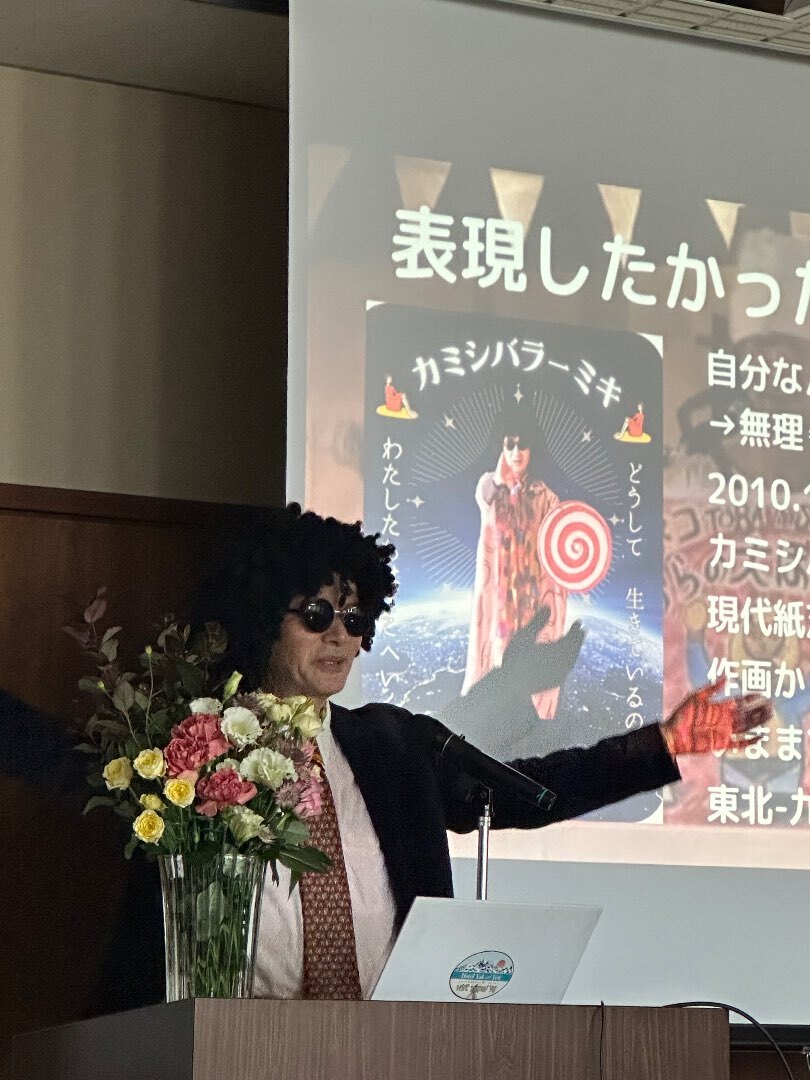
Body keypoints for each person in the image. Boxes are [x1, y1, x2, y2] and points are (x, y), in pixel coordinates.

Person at [194, 503, 770, 1001]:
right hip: (246, 1043)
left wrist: (664, 744)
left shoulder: (393, 745)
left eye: (353, 618)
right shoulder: (197, 753)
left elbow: (532, 792)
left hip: (391, 1044)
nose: (340, 636)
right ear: (264, 617)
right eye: (317, 615)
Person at [463, 415, 568, 719]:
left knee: (531, 666)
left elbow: (558, 547)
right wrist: (503, 480)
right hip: (499, 599)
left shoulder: (546, 497)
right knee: (497, 663)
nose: (516, 452)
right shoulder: (490, 487)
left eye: (523, 445)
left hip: (533, 599)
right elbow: (485, 496)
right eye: (510, 444)